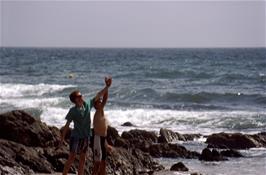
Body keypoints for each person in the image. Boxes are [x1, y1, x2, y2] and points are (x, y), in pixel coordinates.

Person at [60, 77, 111, 175]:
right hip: (76, 137)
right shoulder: (73, 111)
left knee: (83, 159)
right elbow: (67, 125)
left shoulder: (87, 104)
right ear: (74, 100)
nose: (81, 97)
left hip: (86, 137)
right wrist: (62, 138)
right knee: (72, 157)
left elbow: (99, 95)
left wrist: (107, 87)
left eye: (81, 95)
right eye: (78, 97)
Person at [92, 77, 112, 175]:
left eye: (100, 101)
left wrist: (106, 144)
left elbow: (105, 98)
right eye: (98, 102)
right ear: (95, 105)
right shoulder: (98, 111)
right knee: (97, 162)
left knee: (104, 162)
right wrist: (106, 86)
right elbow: (101, 96)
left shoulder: (102, 111)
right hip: (97, 139)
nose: (100, 102)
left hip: (103, 138)